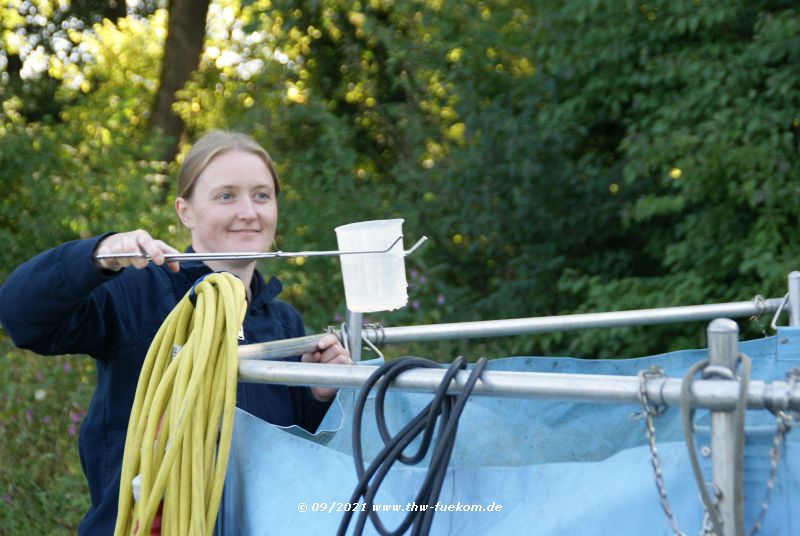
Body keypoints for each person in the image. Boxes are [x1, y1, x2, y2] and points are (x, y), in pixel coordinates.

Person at [0, 130, 351, 535]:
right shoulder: (141, 292)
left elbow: (304, 455)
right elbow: (21, 316)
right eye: (226, 196)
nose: (248, 212)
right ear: (185, 212)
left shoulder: (283, 321)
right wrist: (98, 255)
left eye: (261, 195)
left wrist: (321, 397)